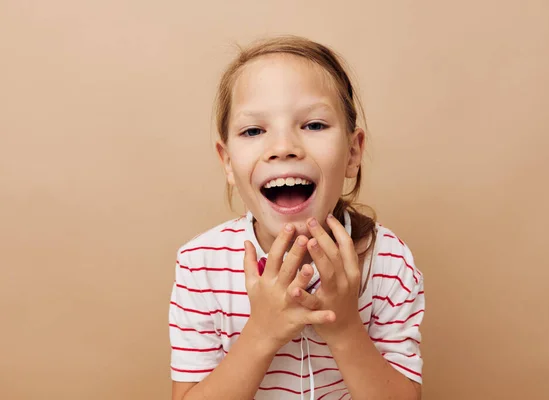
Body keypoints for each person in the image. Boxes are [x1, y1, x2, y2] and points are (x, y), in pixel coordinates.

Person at [169, 35, 425, 400]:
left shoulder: (389, 262)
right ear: (227, 161)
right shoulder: (200, 265)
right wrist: (261, 331)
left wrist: (346, 327)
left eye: (314, 125)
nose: (284, 147)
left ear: (353, 152)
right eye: (254, 130)